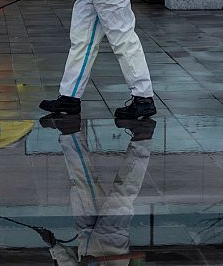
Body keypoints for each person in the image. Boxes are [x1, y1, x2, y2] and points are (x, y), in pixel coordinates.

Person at [40, 112, 155, 265]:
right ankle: (143, 137)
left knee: (82, 183)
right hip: (110, 241)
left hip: (86, 237)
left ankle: (69, 130)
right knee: (123, 192)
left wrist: (55, 247)